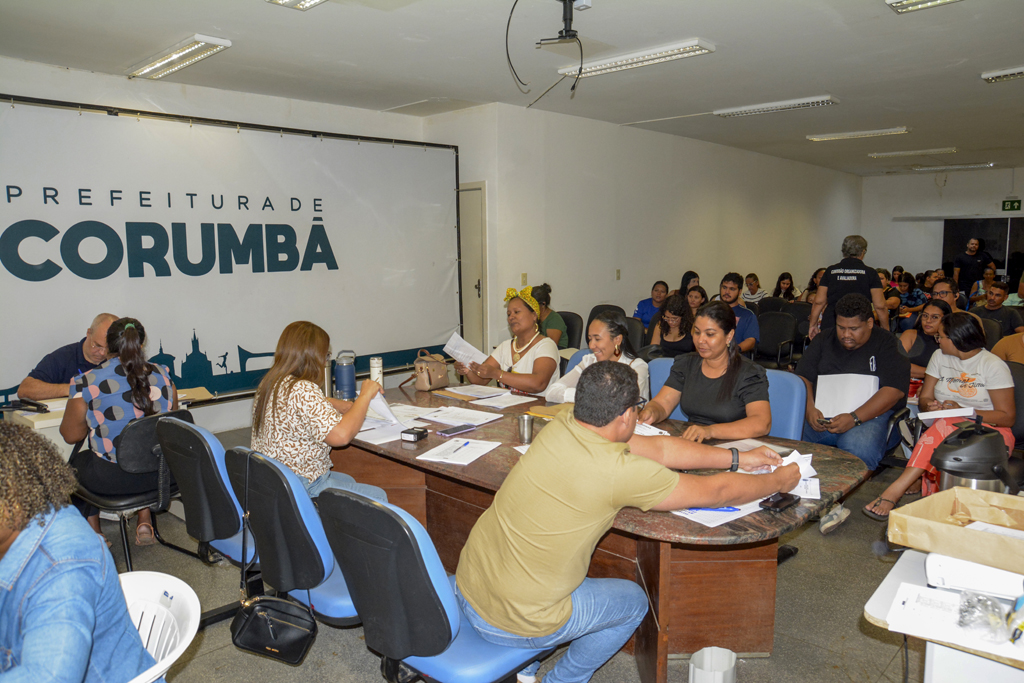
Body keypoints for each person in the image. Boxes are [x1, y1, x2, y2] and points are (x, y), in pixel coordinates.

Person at [455, 361, 799, 683]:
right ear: (626, 415)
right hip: (515, 621)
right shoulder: (617, 472)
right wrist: (777, 481)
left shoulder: (563, 423)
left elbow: (661, 450)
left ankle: (524, 666)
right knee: (633, 602)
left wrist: (738, 458)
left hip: (466, 590)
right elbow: (717, 491)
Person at [0, 422, 159, 683]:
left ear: (13, 502)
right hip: (151, 474)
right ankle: (138, 520)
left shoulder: (62, 569)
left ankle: (95, 526)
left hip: (115, 479)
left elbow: (71, 433)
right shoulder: (38, 519)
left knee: (83, 463)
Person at [864, 312, 1015, 520]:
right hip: (946, 427)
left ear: (955, 339)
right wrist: (931, 406)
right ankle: (928, 501)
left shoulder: (992, 365)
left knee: (945, 425)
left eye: (940, 337)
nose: (937, 341)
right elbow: (924, 399)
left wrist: (964, 410)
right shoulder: (939, 357)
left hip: (990, 433)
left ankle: (895, 490)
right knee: (945, 424)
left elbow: (1007, 417)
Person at [59, 317, 177, 546]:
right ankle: (145, 521)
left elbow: (71, 436)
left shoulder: (87, 382)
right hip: (163, 476)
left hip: (114, 481)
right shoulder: (164, 375)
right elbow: (171, 425)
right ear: (140, 345)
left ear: (107, 348)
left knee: (75, 465)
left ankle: (95, 533)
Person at [797, 294, 909, 531]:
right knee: (790, 436)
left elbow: (894, 391)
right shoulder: (824, 339)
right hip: (824, 413)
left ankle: (834, 500)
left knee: (859, 447)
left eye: (854, 329)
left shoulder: (887, 343)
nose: (846, 334)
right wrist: (809, 408)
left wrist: (855, 418)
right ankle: (799, 489)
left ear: (870, 323)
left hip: (869, 416)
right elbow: (803, 377)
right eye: (841, 327)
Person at [250, 321, 387, 502]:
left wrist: (331, 402)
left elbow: (295, 407)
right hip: (303, 486)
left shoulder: (270, 383)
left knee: (349, 480)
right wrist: (364, 396)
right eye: (326, 355)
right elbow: (341, 436)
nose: (325, 361)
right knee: (378, 496)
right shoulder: (303, 389)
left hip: (274, 481)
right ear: (313, 356)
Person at [640, 301, 771, 443]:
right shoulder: (685, 364)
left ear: (729, 336)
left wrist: (710, 431)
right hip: (693, 442)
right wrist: (650, 411)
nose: (700, 340)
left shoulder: (749, 373)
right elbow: (662, 403)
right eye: (697, 332)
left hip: (733, 444)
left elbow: (762, 422)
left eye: (710, 334)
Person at [458, 286, 560, 394]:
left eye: (517, 312)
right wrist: (467, 369)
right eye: (509, 314)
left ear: (534, 315)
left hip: (540, 404)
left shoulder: (546, 345)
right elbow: (480, 380)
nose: (511, 317)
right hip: (510, 404)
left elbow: (538, 384)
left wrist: (497, 374)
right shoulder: (504, 346)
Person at [546, 310, 649, 403]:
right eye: (590, 339)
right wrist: (590, 396)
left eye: (597, 339)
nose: (591, 345)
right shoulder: (589, 361)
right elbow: (552, 392)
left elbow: (625, 401)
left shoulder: (637, 367)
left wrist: (586, 395)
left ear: (617, 339)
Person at [17, 313, 118, 400]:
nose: (103, 353)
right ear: (88, 333)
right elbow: (25, 390)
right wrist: (72, 389)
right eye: (97, 345)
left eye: (109, 348)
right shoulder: (62, 357)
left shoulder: (119, 359)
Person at [809, 235, 889, 338]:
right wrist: (885, 330)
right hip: (861, 323)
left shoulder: (830, 271)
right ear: (863, 251)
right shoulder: (870, 273)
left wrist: (813, 325)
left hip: (833, 322)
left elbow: (819, 302)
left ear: (843, 251)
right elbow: (880, 306)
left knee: (831, 348)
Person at [900, 300, 951, 379]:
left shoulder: (951, 341)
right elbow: (898, 364)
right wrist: (935, 373)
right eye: (925, 315)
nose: (928, 321)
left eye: (935, 317)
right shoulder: (910, 335)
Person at [717, 273, 760, 354]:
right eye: (724, 287)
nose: (727, 292)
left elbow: (751, 340)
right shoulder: (712, 311)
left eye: (732, 289)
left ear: (739, 292)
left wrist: (734, 350)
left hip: (736, 356)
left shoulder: (748, 315)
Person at [649, 293, 695, 358]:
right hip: (663, 362)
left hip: (685, 363)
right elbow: (653, 352)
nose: (670, 322)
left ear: (683, 316)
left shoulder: (693, 327)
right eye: (667, 317)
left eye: (675, 318)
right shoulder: (660, 325)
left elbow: (698, 355)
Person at [533, 283, 568, 350]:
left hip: (557, 352)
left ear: (543, 304)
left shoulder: (554, 319)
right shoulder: (533, 316)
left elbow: (550, 345)